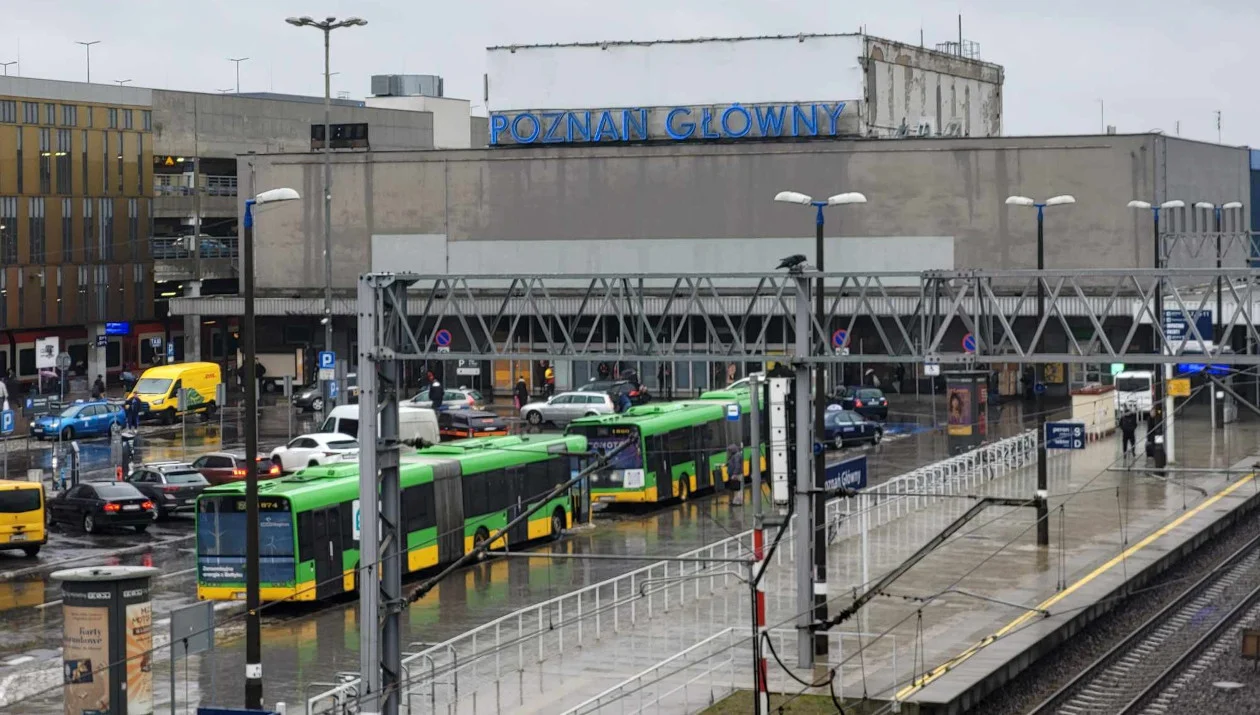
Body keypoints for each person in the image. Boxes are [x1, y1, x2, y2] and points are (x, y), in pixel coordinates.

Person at [726, 442, 745, 506]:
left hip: (737, 474)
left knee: (737, 488)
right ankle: (735, 501)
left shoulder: (737, 455)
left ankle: (738, 502)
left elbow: (737, 466)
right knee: (735, 488)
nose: (729, 452)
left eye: (730, 450)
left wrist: (734, 474)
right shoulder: (735, 455)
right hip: (736, 474)